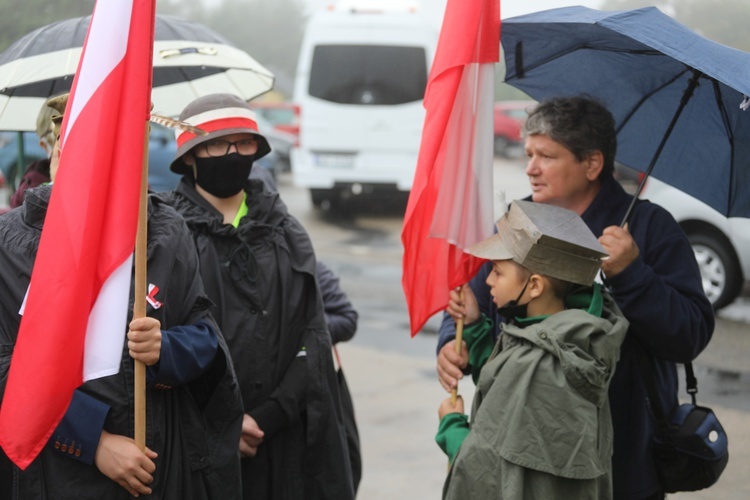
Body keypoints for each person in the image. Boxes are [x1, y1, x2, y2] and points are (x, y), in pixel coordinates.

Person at [436, 96, 715, 499]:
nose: (530, 168)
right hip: (519, 454)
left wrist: (633, 275)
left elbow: (690, 335)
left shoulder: (649, 229)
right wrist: (453, 338)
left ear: (592, 164)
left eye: (546, 156)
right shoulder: (521, 220)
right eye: (529, 153)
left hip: (623, 466)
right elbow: (480, 295)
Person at [0, 94, 244, 499]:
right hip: (55, 475)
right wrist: (93, 441)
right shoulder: (11, 243)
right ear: (57, 147)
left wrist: (165, 348)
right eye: (76, 140)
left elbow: (205, 335)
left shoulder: (165, 229)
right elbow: (8, 370)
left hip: (158, 469)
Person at [156, 93, 355, 500]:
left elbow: (313, 337)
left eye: (243, 143)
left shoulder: (285, 231)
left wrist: (269, 416)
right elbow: (163, 347)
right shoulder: (164, 236)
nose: (231, 154)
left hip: (284, 442)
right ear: (191, 156)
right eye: (216, 144)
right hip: (200, 446)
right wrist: (226, 423)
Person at [437, 200, 628, 499]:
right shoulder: (566, 333)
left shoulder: (544, 365)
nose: (487, 280)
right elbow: (508, 389)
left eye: (498, 272)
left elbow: (486, 476)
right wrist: (474, 327)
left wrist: (451, 427)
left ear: (536, 286)